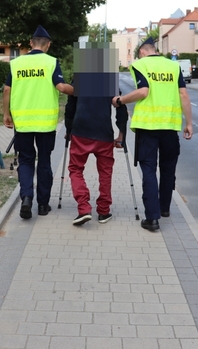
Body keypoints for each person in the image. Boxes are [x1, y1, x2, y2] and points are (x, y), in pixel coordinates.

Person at [112, 37, 193, 232]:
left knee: (148, 170)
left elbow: (143, 92)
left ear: (141, 52)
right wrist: (188, 123)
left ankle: (152, 218)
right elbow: (183, 95)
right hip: (170, 127)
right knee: (167, 169)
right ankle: (164, 208)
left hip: (147, 127)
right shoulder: (173, 66)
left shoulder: (140, 64)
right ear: (155, 49)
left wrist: (120, 100)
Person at [3, 25, 74, 219]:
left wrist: (6, 114)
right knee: (44, 161)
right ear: (48, 45)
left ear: (31, 43)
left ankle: (26, 197)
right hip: (45, 124)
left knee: (25, 160)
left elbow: (7, 90)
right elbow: (60, 87)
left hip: (23, 123)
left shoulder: (17, 63)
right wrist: (82, 90)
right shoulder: (51, 62)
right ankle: (43, 205)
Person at [64, 88, 128, 226]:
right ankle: (104, 211)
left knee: (75, 169)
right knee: (105, 172)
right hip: (103, 132)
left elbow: (70, 105)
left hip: (80, 131)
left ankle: (83, 208)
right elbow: (121, 107)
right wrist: (122, 134)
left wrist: (68, 130)